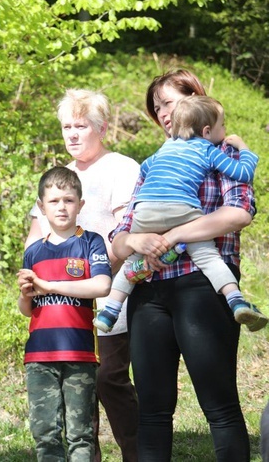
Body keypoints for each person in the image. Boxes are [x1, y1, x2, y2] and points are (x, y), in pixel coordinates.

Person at [110, 69, 254, 460]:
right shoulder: (153, 163)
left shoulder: (223, 153)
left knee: (219, 405)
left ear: (194, 99)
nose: (163, 114)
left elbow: (239, 213)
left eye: (169, 103)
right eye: (156, 109)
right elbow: (119, 239)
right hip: (149, 292)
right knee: (152, 411)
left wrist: (173, 236)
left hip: (203, 285)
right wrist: (134, 240)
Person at [25, 89, 140, 461]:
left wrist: (90, 277)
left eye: (81, 126)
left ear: (102, 127)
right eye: (66, 127)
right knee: (76, 395)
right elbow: (34, 237)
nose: (72, 135)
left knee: (109, 381)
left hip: (111, 297)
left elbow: (127, 233)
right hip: (58, 306)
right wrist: (32, 281)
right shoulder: (60, 179)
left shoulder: (122, 168)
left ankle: (137, 453)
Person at [95, 95, 264, 333]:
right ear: (206, 131)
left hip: (145, 212)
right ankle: (235, 300)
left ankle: (110, 310)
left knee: (132, 262)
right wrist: (244, 147)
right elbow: (243, 172)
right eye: (222, 126)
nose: (225, 132)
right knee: (207, 256)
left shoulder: (165, 147)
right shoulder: (209, 149)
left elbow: (145, 168)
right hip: (180, 209)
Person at [18, 166, 112, 461]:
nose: (62, 207)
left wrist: (50, 285)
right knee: (45, 433)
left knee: (81, 433)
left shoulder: (91, 242)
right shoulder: (33, 252)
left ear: (80, 205)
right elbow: (26, 309)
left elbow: (102, 285)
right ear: (41, 207)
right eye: (54, 201)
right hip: (39, 357)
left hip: (79, 355)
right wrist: (26, 294)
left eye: (69, 200)